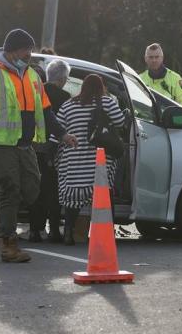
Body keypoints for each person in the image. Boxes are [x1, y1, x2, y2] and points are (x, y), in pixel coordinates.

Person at [0, 29, 75, 262]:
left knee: (31, 190)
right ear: (11, 51)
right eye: (25, 50)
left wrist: (63, 134)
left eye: (30, 50)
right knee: (10, 191)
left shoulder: (32, 76)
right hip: (1, 145)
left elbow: (46, 112)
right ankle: (9, 245)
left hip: (26, 145)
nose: (30, 54)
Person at [55, 74, 125, 245]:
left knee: (73, 200)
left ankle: (68, 233)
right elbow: (121, 122)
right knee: (103, 196)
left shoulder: (68, 105)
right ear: (101, 87)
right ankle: (107, 233)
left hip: (73, 159)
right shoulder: (107, 102)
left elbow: (57, 129)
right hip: (99, 160)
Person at [27, 59, 72, 243]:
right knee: (53, 191)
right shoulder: (65, 97)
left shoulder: (36, 90)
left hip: (32, 147)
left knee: (35, 191)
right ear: (62, 79)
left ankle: (33, 231)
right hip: (54, 150)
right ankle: (53, 230)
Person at [140, 43, 182, 109]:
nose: (154, 60)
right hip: (145, 119)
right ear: (145, 59)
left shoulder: (176, 79)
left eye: (157, 57)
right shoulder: (139, 80)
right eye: (151, 57)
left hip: (170, 119)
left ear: (162, 58)